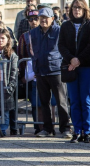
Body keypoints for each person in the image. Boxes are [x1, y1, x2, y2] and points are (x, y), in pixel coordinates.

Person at [58, 0, 90, 143]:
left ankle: (86, 132)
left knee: (85, 100)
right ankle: (77, 130)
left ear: (84, 9)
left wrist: (78, 59)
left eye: (79, 7)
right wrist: (71, 60)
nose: (76, 10)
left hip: (86, 66)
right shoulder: (65, 25)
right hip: (70, 67)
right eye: (74, 7)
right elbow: (61, 45)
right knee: (74, 100)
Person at [30, 7, 71, 138]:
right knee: (44, 102)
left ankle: (65, 128)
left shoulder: (59, 31)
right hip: (41, 71)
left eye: (45, 18)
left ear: (52, 19)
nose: (42, 20)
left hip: (56, 70)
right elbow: (34, 51)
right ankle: (47, 128)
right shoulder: (34, 32)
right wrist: (35, 67)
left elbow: (65, 48)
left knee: (61, 101)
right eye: (40, 18)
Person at [0, 29, 18, 137]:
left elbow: (14, 72)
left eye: (2, 38)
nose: (0, 40)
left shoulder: (12, 55)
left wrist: (10, 87)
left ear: (7, 40)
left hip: (4, 86)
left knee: (4, 110)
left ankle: (3, 129)